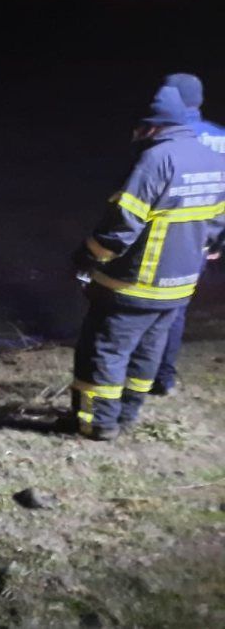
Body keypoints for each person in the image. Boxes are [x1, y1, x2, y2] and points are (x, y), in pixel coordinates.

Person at [69, 81, 225, 441]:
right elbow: (217, 222)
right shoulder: (212, 159)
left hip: (135, 281)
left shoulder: (157, 159)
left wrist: (88, 256)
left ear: (151, 127)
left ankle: (97, 423)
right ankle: (127, 414)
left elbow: (123, 222)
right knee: (148, 350)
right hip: (181, 283)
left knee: (105, 351)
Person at [150, 73, 225, 396]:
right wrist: (218, 240)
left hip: (160, 241)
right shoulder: (221, 137)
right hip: (201, 243)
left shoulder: (166, 136)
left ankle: (138, 376)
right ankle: (163, 377)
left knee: (143, 311)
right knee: (176, 310)